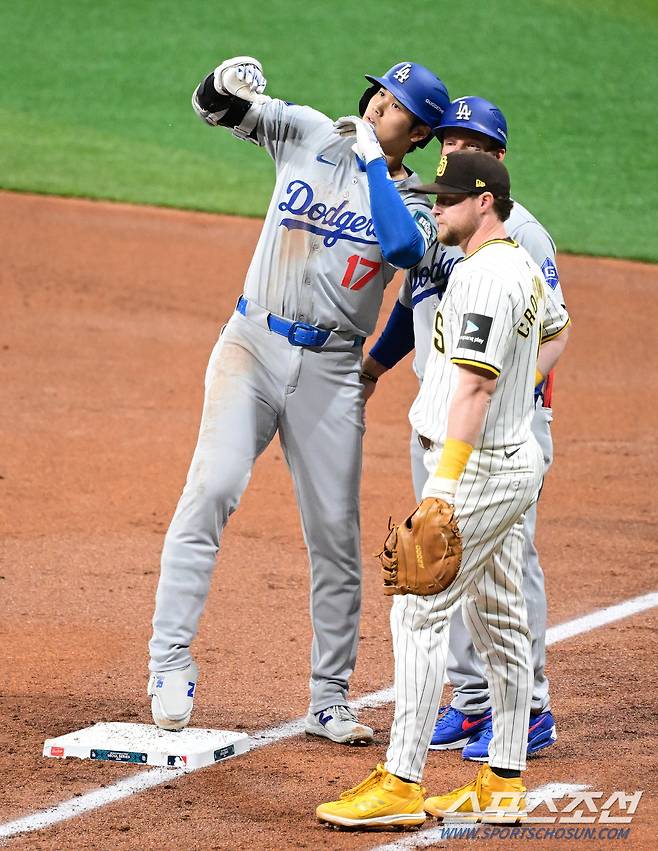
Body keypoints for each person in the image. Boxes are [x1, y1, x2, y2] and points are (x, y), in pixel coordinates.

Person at [146, 57, 450, 745]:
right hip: (251, 345)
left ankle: (329, 697)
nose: (379, 104)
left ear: (421, 133)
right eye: (379, 91)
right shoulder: (310, 132)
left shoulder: (421, 204)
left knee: (337, 538)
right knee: (211, 489)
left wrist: (374, 164)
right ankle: (167, 662)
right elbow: (215, 109)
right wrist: (222, 80)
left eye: (397, 105)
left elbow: (402, 249)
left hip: (333, 371)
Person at [316, 151, 571, 828]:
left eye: (449, 200)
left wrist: (445, 487)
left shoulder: (487, 278)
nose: (436, 208)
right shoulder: (519, 262)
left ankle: (400, 783)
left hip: (478, 467)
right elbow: (555, 332)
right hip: (512, 459)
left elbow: (478, 384)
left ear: (484, 202)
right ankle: (503, 779)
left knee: (418, 611)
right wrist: (519, 408)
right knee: (500, 618)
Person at [359, 97, 570, 760]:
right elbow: (411, 305)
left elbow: (555, 329)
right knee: (447, 559)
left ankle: (528, 708)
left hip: (498, 427)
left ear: (496, 161)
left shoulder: (520, 235)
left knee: (504, 565)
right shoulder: (439, 221)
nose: (451, 150)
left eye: (469, 142)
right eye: (447, 139)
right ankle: (475, 701)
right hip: (446, 417)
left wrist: (510, 393)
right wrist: (372, 369)